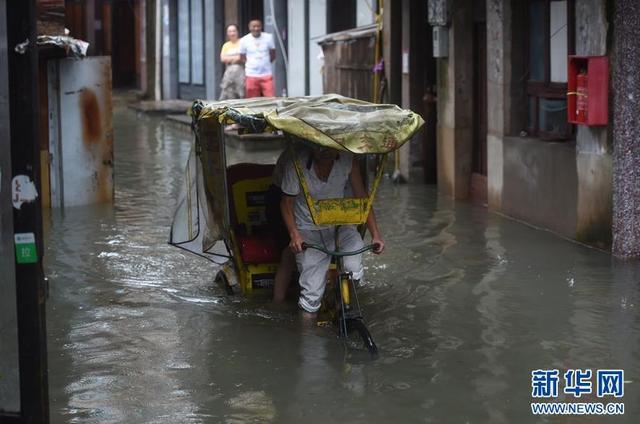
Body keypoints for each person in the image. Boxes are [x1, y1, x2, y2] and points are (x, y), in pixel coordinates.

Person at [279, 146, 385, 319]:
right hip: (307, 228)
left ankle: (343, 302)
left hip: (339, 225)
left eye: (329, 146)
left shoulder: (347, 160)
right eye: (318, 145)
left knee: (353, 265)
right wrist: (294, 234)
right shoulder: (296, 164)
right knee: (311, 297)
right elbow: (286, 203)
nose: (324, 150)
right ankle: (307, 338)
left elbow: (362, 198)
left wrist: (376, 235)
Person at [239, 19, 276, 98]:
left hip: (266, 74)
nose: (256, 28)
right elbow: (242, 57)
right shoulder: (244, 40)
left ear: (261, 27)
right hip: (251, 74)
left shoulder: (268, 37)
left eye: (258, 26)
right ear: (249, 28)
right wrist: (252, 64)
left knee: (271, 98)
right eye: (254, 26)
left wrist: (264, 63)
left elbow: (273, 53)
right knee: (252, 100)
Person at [219, 24, 245, 100]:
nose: (232, 33)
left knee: (241, 93)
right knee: (228, 92)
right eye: (230, 31)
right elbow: (223, 59)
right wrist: (237, 57)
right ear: (227, 33)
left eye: (234, 31)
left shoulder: (242, 43)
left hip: (242, 72)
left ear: (237, 32)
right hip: (229, 73)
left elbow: (243, 57)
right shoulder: (226, 45)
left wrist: (230, 58)